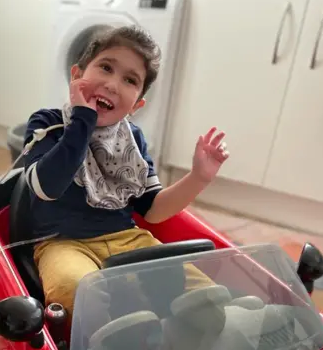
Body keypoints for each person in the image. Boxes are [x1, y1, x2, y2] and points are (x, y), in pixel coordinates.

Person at [22, 25, 229, 318]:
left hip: (129, 239)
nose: (112, 84)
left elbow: (153, 211)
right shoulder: (49, 122)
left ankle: (200, 332)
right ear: (76, 75)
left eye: (129, 80)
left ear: (137, 105)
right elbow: (47, 187)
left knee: (202, 295)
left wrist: (199, 177)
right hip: (63, 243)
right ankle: (115, 347)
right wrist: (82, 121)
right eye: (106, 67)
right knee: (78, 291)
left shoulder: (133, 140)